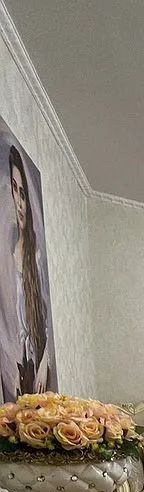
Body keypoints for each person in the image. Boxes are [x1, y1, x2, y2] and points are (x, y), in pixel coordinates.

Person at [8, 145, 50, 394]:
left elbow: (46, 321)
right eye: (15, 190)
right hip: (23, 366)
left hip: (38, 363)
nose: (19, 203)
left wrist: (44, 363)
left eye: (23, 194)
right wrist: (16, 369)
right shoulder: (10, 252)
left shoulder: (37, 256)